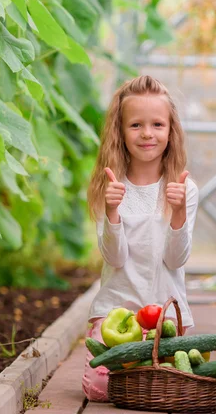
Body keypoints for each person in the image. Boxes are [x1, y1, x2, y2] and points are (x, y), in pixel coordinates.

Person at [82, 75, 199, 402]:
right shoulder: (112, 187)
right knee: (100, 389)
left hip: (164, 316)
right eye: (135, 125)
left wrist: (177, 213)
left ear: (170, 131)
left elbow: (176, 260)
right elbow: (114, 259)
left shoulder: (183, 188)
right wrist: (112, 211)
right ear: (119, 132)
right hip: (116, 315)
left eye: (157, 124)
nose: (147, 133)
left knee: (162, 388)